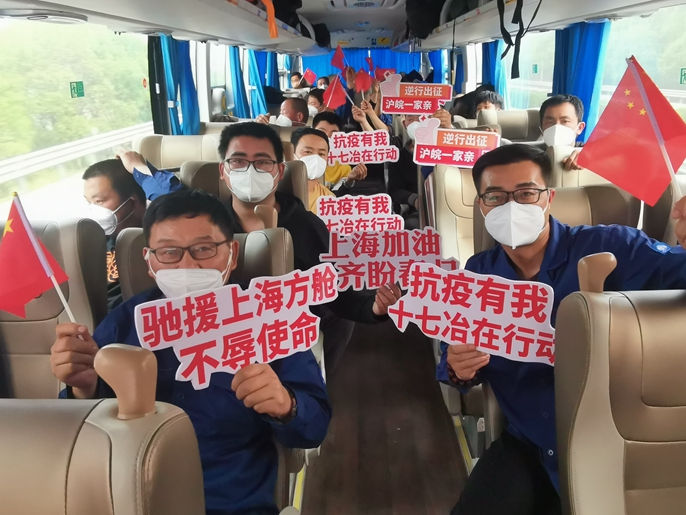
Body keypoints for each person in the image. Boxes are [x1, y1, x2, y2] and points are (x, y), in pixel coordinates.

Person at [440, 144, 686, 515]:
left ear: (549, 198)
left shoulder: (614, 247)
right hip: (530, 442)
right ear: (481, 205)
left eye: (526, 193)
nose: (511, 207)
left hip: (616, 436)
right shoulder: (478, 275)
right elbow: (453, 356)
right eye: (496, 196)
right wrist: (458, 368)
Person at [51, 189, 330, 515]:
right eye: (169, 252)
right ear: (149, 261)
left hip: (229, 502)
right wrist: (82, 389)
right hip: (125, 494)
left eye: (204, 249)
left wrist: (285, 404)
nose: (187, 265)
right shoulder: (123, 324)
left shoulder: (270, 317)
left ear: (232, 253)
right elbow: (81, 438)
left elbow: (315, 428)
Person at [119, 122, 401, 374]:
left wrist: (373, 308)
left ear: (279, 171)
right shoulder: (201, 224)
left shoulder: (306, 226)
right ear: (223, 171)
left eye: (263, 162)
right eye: (238, 161)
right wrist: (137, 168)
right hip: (211, 328)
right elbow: (164, 194)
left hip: (283, 331)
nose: (250, 170)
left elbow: (335, 289)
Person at [83, 158, 147, 310]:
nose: (93, 210)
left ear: (132, 203)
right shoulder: (95, 242)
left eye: (99, 201)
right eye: (89, 203)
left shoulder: (157, 240)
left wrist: (139, 168)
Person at [387, 109, 453, 229]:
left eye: (421, 118)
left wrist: (449, 128)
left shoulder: (448, 150)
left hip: (451, 204)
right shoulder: (398, 158)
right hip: (420, 211)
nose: (416, 123)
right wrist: (415, 199)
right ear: (404, 124)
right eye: (411, 119)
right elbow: (394, 190)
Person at [290, 127, 367, 212]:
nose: (316, 158)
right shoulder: (278, 195)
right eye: (308, 152)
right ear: (291, 154)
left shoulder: (328, 199)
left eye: (321, 154)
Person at [538, 94, 586, 171]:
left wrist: (586, 156)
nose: (556, 127)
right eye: (550, 122)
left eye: (565, 121)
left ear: (580, 128)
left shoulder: (590, 153)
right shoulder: (529, 158)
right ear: (541, 127)